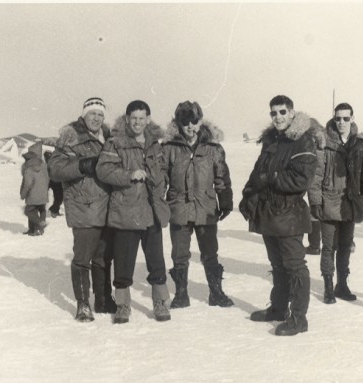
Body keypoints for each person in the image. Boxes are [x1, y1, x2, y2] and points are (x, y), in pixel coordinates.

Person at [239, 95, 323, 336]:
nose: (278, 117)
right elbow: (258, 171)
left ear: (292, 113)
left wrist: (272, 178)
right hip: (268, 213)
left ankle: (298, 318)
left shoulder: (302, 141)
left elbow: (302, 179)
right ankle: (278, 308)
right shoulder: (271, 140)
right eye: (274, 113)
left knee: (295, 266)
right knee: (277, 265)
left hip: (289, 214)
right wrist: (248, 195)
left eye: (282, 112)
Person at [97, 100, 171, 324]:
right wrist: (129, 174)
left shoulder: (155, 144)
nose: (138, 122)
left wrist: (160, 180)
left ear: (148, 119)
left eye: (142, 118)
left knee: (157, 262)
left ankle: (160, 303)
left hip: (151, 212)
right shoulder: (115, 142)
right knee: (124, 263)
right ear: (127, 119)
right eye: (134, 118)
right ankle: (122, 305)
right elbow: (103, 170)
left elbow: (164, 170)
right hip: (125, 212)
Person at [47, 97, 116, 321]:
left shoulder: (109, 138)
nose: (96, 118)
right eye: (92, 113)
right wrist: (81, 165)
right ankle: (83, 303)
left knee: (103, 257)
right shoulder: (71, 137)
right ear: (84, 114)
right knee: (83, 258)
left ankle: (103, 299)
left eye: (100, 114)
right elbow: (55, 169)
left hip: (108, 206)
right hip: (84, 205)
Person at [161, 101, 234, 309]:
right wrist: (160, 204)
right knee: (180, 253)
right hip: (179, 209)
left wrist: (225, 200)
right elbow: (161, 179)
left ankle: (216, 292)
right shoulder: (169, 149)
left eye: (194, 121)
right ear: (178, 123)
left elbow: (222, 177)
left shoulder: (213, 149)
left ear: (200, 121)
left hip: (206, 209)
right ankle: (181, 294)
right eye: (185, 122)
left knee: (210, 252)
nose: (190, 126)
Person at [309, 103, 363, 304]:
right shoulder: (324, 142)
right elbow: (316, 175)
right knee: (328, 246)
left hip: (350, 203)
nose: (341, 122)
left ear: (352, 119)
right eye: (338, 118)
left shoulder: (360, 144)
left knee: (345, 246)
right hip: (329, 201)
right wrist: (316, 202)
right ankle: (328, 287)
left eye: (346, 118)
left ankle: (342, 285)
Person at [20, 142, 49, 236]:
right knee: (41, 209)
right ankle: (33, 229)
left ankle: (39, 225)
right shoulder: (44, 166)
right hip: (43, 193)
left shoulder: (28, 169)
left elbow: (27, 184)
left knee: (29, 211)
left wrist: (23, 194)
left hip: (32, 194)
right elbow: (48, 178)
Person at [43, 149, 64, 218]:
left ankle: (54, 210)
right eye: (47, 157)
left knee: (59, 197)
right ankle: (52, 210)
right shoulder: (46, 164)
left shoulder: (54, 162)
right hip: (51, 180)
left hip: (55, 180)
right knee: (58, 197)